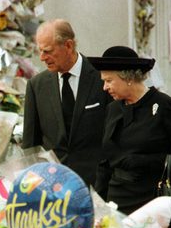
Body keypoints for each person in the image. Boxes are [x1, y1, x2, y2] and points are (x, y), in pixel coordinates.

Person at [88, 46, 171, 215]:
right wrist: (98, 204)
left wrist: (145, 161)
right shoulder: (113, 109)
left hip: (154, 199)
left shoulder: (164, 105)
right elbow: (105, 162)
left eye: (109, 81)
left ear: (129, 78)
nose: (104, 87)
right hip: (117, 201)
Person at [22, 19, 112, 186]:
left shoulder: (102, 79)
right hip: (53, 186)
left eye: (48, 51)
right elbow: (30, 147)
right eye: (40, 51)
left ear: (69, 46)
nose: (42, 58)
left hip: (97, 185)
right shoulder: (36, 85)